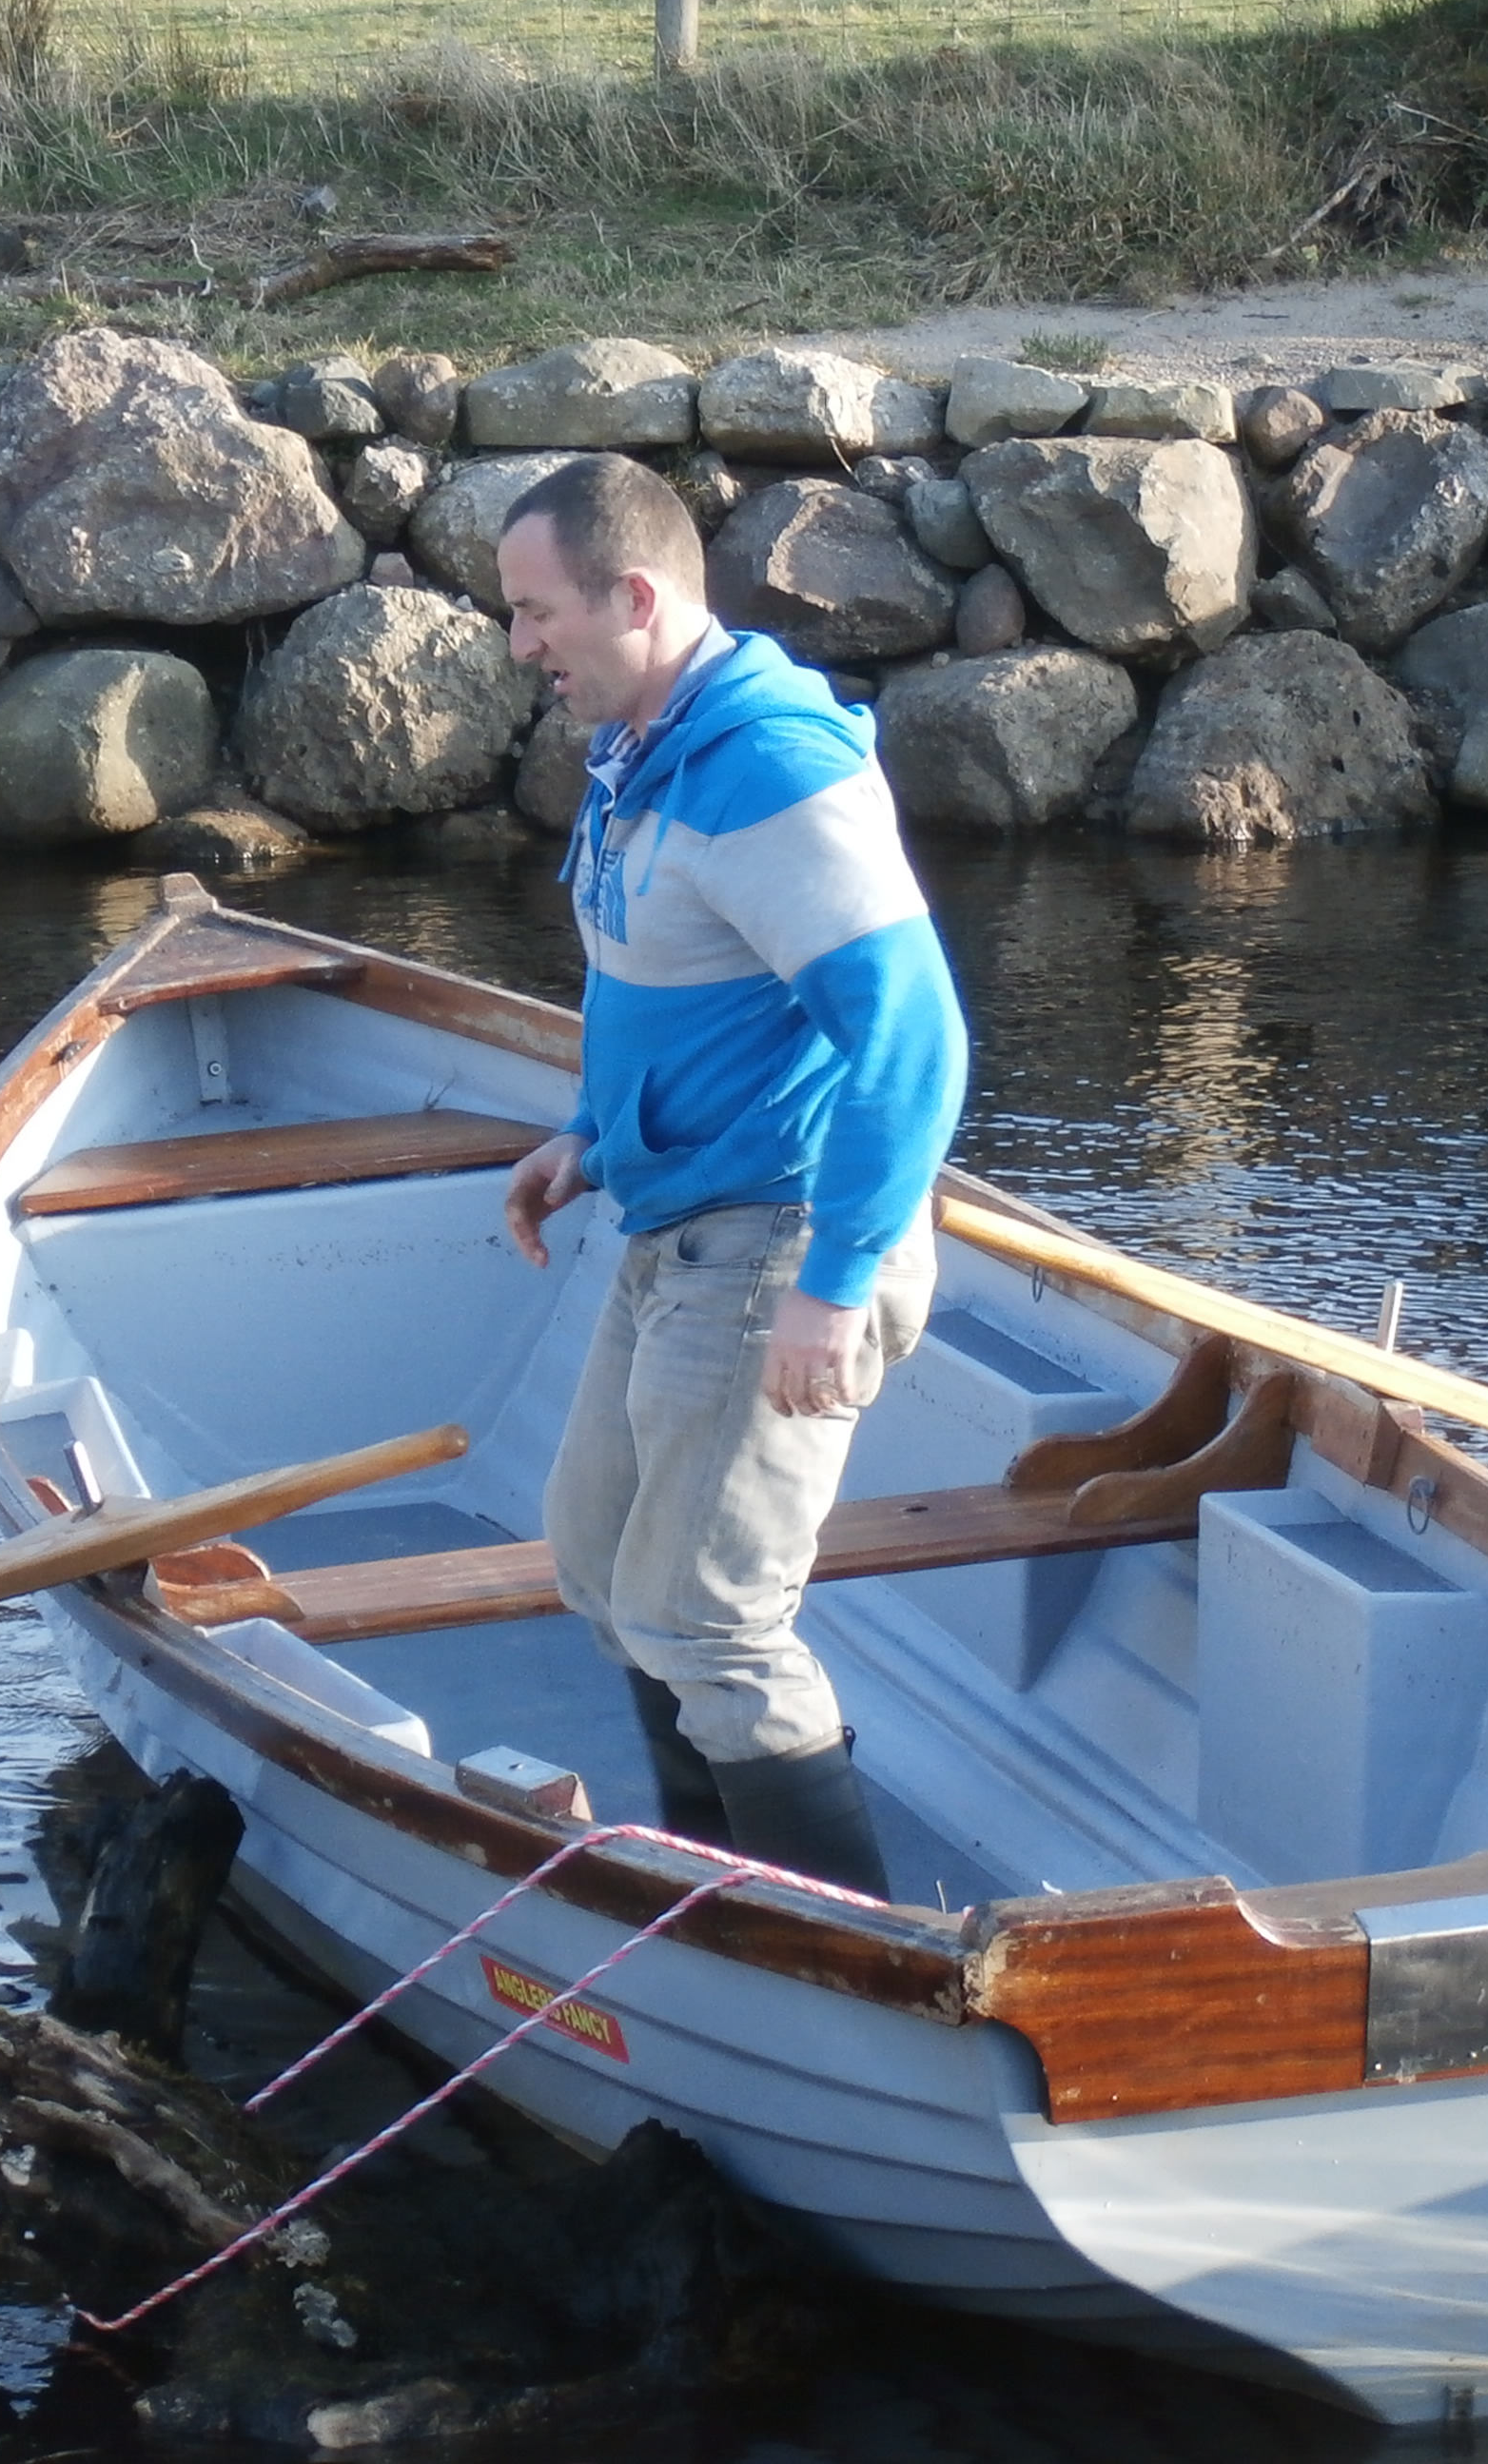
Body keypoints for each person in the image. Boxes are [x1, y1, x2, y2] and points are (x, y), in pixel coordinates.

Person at [490, 453, 969, 1899]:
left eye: (536, 612)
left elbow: (913, 1038)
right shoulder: (646, 748)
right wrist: (592, 1136)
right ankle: (717, 1904)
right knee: (602, 1567)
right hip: (677, 1220)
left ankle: (853, 1955)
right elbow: (669, 981)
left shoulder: (768, 770)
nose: (518, 646)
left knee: (705, 1619)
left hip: (780, 1241)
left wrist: (836, 1282)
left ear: (634, 599)